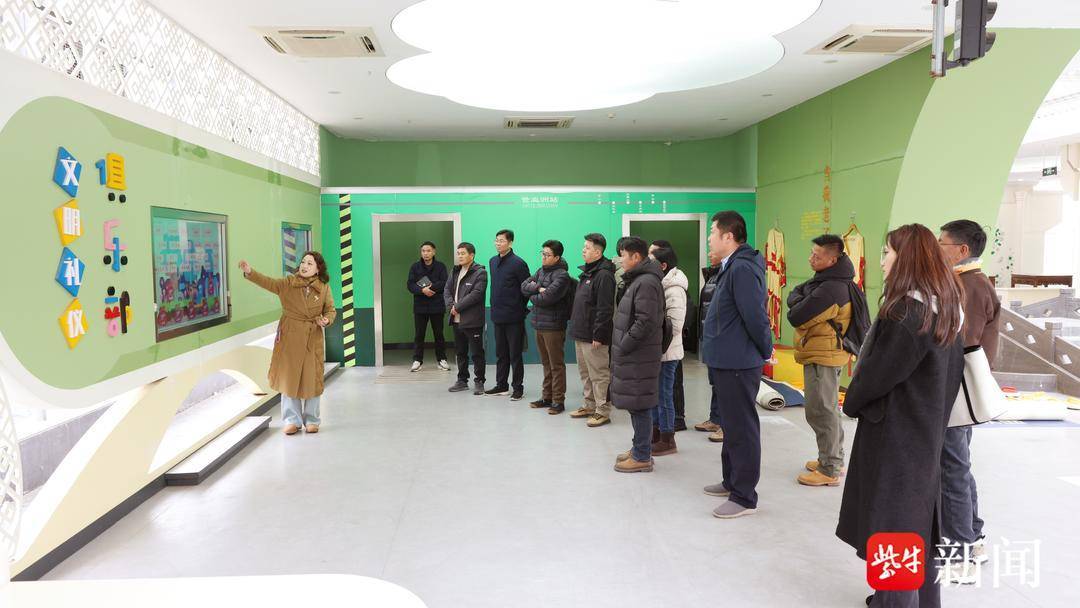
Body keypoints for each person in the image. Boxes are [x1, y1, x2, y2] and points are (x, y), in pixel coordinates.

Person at [837, 224, 965, 608]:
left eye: (887, 253)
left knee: (894, 526)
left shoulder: (907, 312)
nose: (882, 261)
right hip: (926, 430)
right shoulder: (945, 307)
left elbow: (878, 375)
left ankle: (893, 602)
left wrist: (852, 401)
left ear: (906, 258)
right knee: (918, 525)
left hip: (896, 435)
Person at [938, 219, 1000, 581]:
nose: (936, 249)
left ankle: (961, 551)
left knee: (953, 469)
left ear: (961, 250)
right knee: (956, 465)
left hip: (956, 393)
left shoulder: (971, 286)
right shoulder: (967, 282)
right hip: (957, 392)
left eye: (942, 244)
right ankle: (972, 536)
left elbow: (962, 344)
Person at [700, 211, 773, 519]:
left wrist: (766, 350)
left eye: (712, 233)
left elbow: (755, 316)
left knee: (741, 428)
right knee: (730, 426)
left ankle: (744, 497)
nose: (709, 239)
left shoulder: (742, 268)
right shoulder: (730, 266)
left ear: (728, 236)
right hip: (727, 360)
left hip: (738, 362)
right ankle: (731, 480)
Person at [238, 252, 335, 435]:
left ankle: (312, 420)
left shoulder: (324, 288)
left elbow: (331, 310)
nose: (304, 266)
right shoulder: (288, 283)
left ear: (318, 269)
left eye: (310, 263)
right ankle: (292, 420)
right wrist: (250, 272)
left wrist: (326, 320)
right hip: (290, 335)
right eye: (303, 262)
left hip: (312, 336)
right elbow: (268, 283)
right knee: (289, 377)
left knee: (312, 378)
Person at [786, 234, 855, 487]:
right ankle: (832, 458)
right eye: (811, 253)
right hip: (825, 353)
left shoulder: (831, 289)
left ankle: (829, 469)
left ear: (833, 259)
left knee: (821, 411)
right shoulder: (828, 280)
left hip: (824, 355)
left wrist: (800, 300)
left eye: (817, 256)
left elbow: (797, 315)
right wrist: (801, 298)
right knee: (827, 409)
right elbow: (795, 293)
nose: (810, 259)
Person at [610, 237, 665, 473]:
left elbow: (646, 321)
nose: (620, 260)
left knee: (640, 405)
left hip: (639, 354)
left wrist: (624, 345)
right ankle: (639, 448)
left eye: (623, 255)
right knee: (636, 404)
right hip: (636, 354)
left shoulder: (646, 283)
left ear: (636, 257)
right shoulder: (639, 280)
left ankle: (642, 455)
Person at [568, 233, 617, 427]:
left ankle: (602, 411)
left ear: (598, 252)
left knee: (599, 374)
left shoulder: (604, 275)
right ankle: (589, 405)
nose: (583, 250)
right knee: (585, 373)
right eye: (584, 247)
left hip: (594, 336)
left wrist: (599, 334)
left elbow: (605, 308)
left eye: (587, 248)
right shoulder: (587, 273)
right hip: (581, 332)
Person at [521, 240, 572, 414]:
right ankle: (546, 397)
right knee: (546, 363)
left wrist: (533, 293)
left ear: (557, 257)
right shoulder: (540, 271)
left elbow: (547, 298)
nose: (543, 257)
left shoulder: (562, 276)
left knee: (556, 365)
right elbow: (524, 286)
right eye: (542, 253)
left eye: (547, 254)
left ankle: (558, 401)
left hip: (554, 326)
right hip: (539, 324)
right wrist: (538, 289)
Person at [649, 245, 687, 456]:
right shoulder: (661, 285)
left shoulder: (674, 289)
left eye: (651, 260)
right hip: (658, 351)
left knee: (664, 396)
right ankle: (655, 434)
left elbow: (674, 326)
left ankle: (667, 439)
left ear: (663, 265)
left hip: (667, 352)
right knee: (656, 395)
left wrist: (656, 345)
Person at [487, 229, 531, 400]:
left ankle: (518, 388)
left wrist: (518, 308)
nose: (498, 243)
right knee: (501, 353)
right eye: (496, 240)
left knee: (515, 354)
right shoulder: (492, 261)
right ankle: (501, 385)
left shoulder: (519, 263)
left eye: (502, 241)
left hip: (514, 316)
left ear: (510, 242)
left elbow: (526, 289)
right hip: (497, 315)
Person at [445, 242, 489, 395]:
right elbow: (447, 290)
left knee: (477, 353)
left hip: (472, 320)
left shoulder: (481, 273)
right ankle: (462, 380)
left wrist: (457, 307)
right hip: (456, 319)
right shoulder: (455, 271)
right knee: (460, 352)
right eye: (458, 253)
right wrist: (451, 306)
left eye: (463, 253)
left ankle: (479, 381)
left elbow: (476, 294)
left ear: (472, 255)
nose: (460, 256)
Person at [407, 241, 450, 372]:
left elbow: (445, 282)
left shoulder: (441, 266)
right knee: (419, 335)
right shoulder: (415, 267)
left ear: (434, 252)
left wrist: (431, 288)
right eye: (423, 251)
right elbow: (410, 284)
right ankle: (417, 360)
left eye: (428, 251)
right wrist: (422, 290)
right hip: (420, 306)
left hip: (437, 306)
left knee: (439, 334)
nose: (426, 253)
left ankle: (442, 359)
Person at [694, 262, 725, 443]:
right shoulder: (712, 275)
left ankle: (726, 426)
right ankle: (715, 419)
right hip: (710, 336)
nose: (710, 252)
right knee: (715, 382)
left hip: (720, 338)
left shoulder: (728, 273)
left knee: (724, 385)